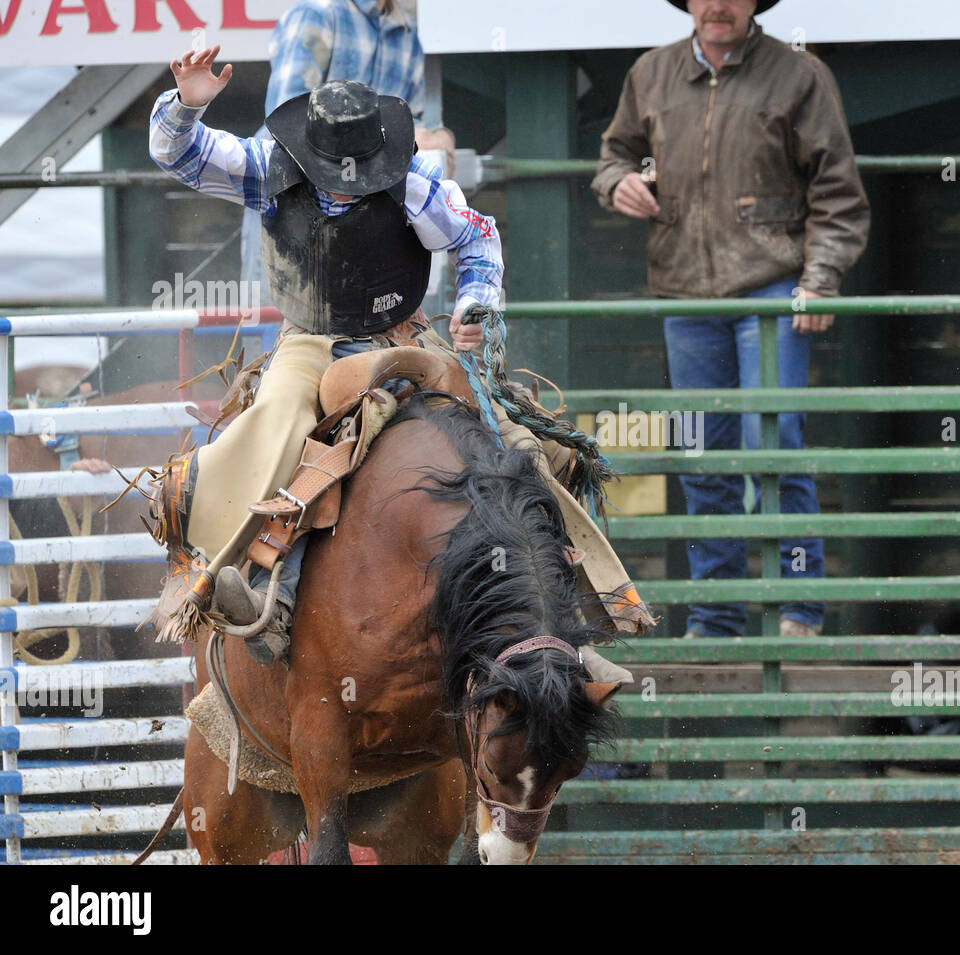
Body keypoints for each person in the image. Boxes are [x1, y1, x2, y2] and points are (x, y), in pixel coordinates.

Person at [148, 47, 651, 672]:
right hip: (311, 339)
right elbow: (182, 153)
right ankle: (246, 579)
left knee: (520, 444)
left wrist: (474, 308)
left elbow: (477, 236)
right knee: (277, 417)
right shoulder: (269, 167)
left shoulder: (415, 183)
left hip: (403, 337)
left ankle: (566, 611)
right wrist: (186, 106)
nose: (343, 180)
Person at [591, 0, 870, 639]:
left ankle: (798, 610)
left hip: (773, 287)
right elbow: (614, 155)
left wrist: (818, 281)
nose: (717, 4)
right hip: (686, 295)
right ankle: (716, 618)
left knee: (773, 443)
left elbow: (838, 191)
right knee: (701, 455)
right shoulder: (651, 73)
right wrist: (617, 183)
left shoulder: (799, 75)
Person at [240, 0, 456, 287]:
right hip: (291, 211)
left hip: (364, 222)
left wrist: (438, 138)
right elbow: (285, 122)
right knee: (278, 321)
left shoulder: (406, 34)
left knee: (357, 323)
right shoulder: (318, 13)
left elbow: (409, 123)